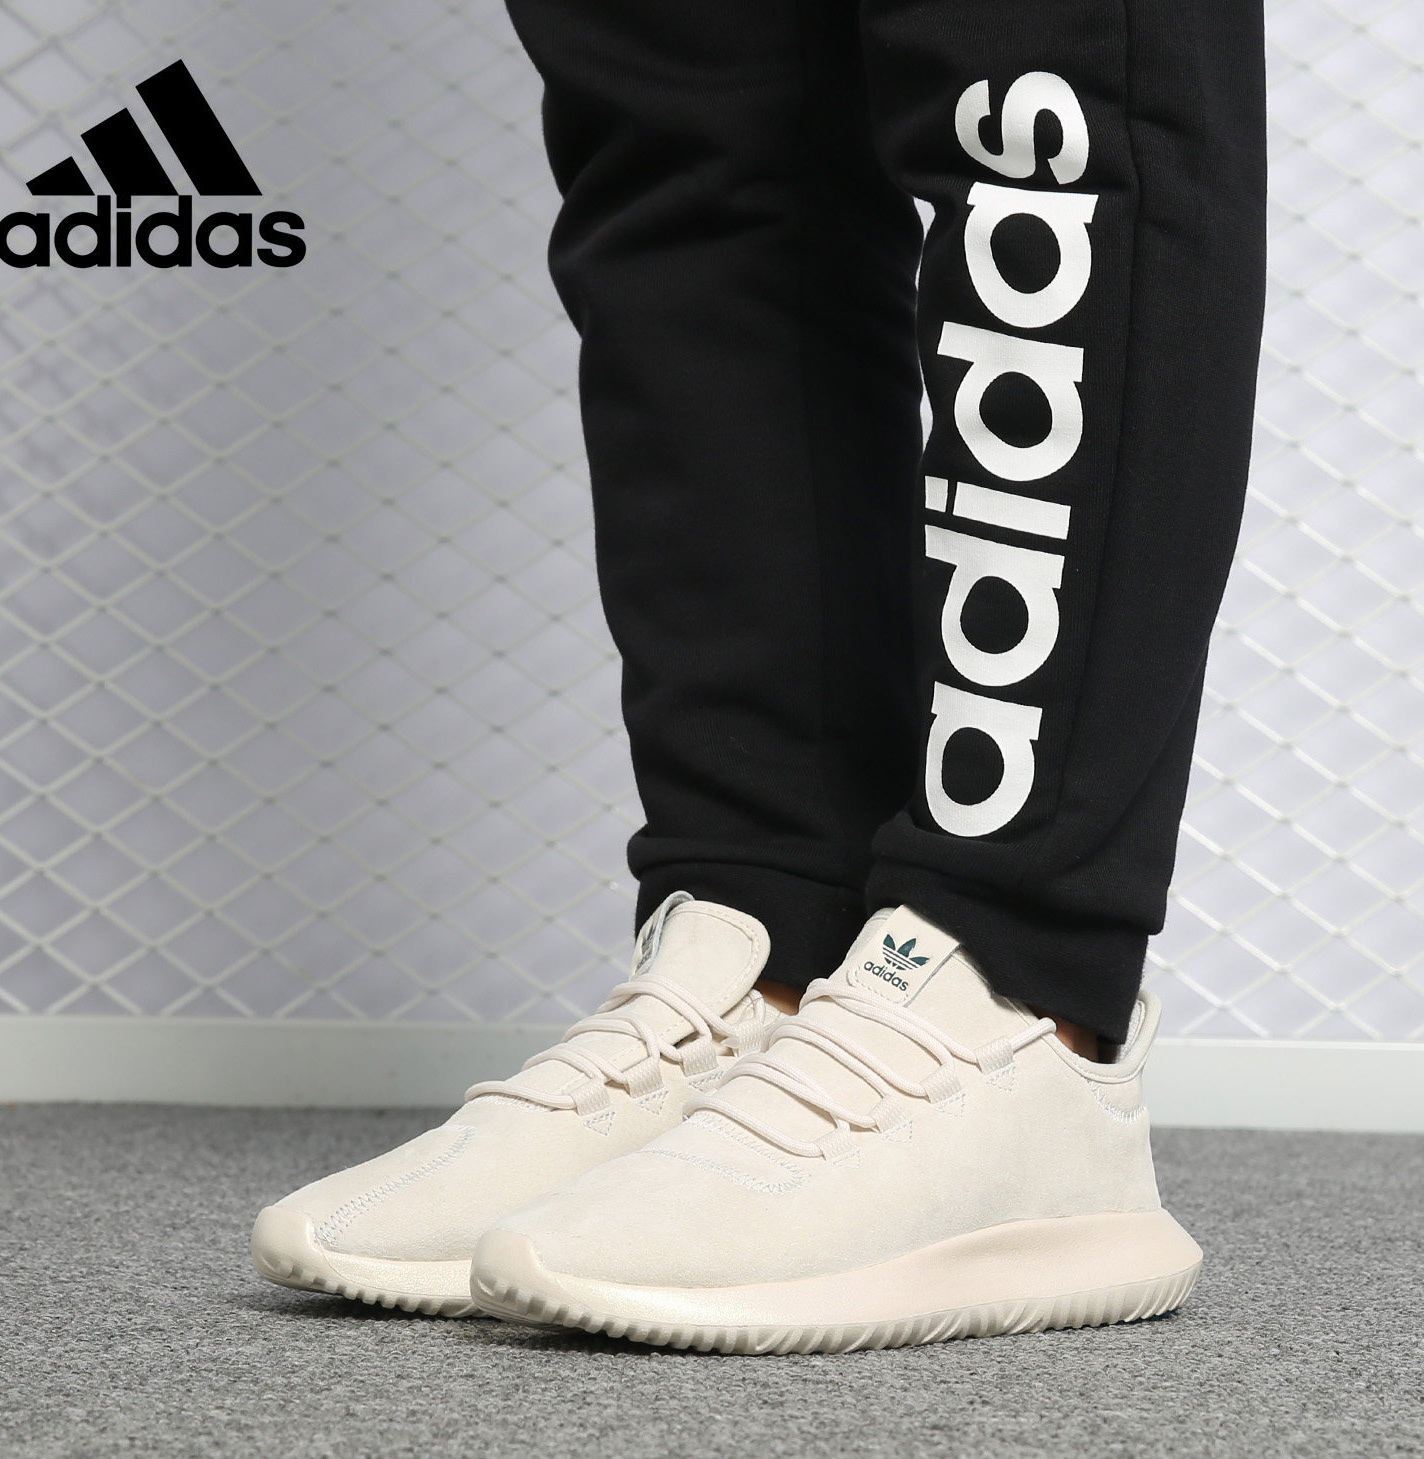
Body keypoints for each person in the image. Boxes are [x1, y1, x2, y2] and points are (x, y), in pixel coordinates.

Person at [252, 0, 1266, 1352]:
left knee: (1038, 89)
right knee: (687, 107)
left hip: (1028, 947)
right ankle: (776, 940)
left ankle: (1020, 997)